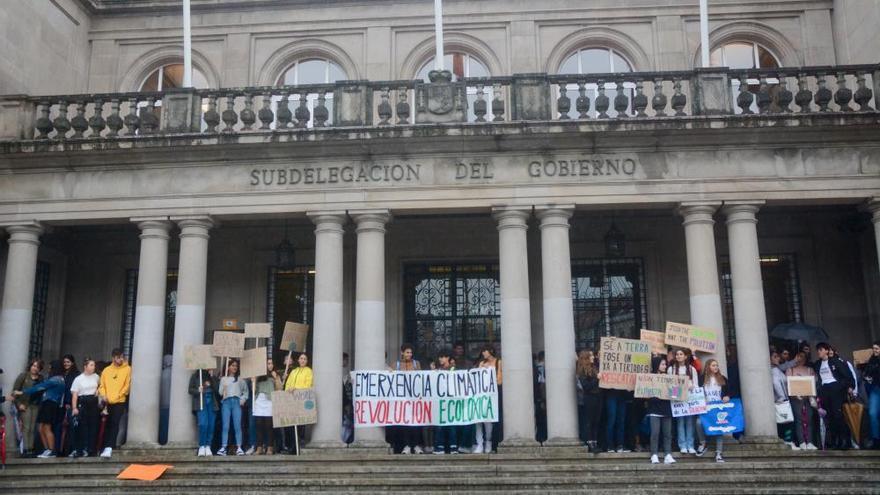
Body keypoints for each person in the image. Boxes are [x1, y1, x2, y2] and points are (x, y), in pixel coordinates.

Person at [21, 360, 66, 458]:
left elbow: (40, 387)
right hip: (48, 404)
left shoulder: (56, 379)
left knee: (46, 428)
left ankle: (51, 450)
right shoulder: (60, 379)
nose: (49, 369)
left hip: (50, 404)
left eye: (50, 368)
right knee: (40, 428)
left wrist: (23, 392)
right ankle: (47, 449)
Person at [813, 342, 853, 450]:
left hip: (835, 389)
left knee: (838, 415)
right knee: (829, 416)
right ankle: (835, 440)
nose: (819, 352)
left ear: (826, 350)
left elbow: (847, 376)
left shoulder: (835, 361)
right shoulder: (817, 364)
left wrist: (841, 386)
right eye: (818, 350)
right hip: (825, 390)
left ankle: (845, 440)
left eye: (821, 350)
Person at [389, 343, 423, 454]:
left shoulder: (416, 364)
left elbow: (421, 378)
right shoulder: (396, 365)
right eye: (407, 352)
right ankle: (407, 445)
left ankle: (416, 445)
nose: (410, 354)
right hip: (402, 399)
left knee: (416, 423)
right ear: (402, 353)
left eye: (411, 352)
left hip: (414, 399)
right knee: (405, 423)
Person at [97, 348, 130, 458]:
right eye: (118, 357)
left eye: (121, 357)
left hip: (120, 401)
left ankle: (110, 447)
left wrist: (119, 395)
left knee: (115, 423)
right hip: (107, 401)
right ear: (113, 358)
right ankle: (105, 447)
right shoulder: (106, 370)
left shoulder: (128, 369)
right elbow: (102, 385)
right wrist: (104, 395)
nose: (120, 359)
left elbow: (127, 385)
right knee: (107, 424)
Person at [668, 348, 699, 455]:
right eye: (677, 354)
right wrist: (677, 390)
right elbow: (670, 384)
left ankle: (690, 445)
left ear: (686, 356)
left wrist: (691, 386)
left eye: (681, 354)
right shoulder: (671, 369)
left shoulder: (691, 369)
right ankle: (682, 445)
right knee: (680, 422)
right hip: (678, 399)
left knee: (690, 422)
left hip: (690, 399)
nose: (679, 356)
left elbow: (696, 385)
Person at [786, 351, 818, 450]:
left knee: (809, 418)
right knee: (798, 419)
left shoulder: (809, 369)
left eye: (803, 356)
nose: (801, 358)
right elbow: (788, 384)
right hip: (795, 397)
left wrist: (812, 396)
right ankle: (801, 441)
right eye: (799, 356)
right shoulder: (790, 370)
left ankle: (810, 441)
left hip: (808, 397)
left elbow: (814, 382)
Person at [11, 359, 43, 456]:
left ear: (40, 369)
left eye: (37, 367)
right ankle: (25, 449)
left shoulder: (41, 378)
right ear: (30, 366)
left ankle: (31, 449)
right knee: (26, 427)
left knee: (33, 428)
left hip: (36, 405)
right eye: (33, 365)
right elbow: (14, 392)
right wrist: (18, 404)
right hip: (25, 405)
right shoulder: (23, 376)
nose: (35, 368)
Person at [69, 358, 100, 458]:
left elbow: (101, 386)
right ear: (85, 367)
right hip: (83, 401)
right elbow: (75, 395)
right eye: (91, 365)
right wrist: (74, 408)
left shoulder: (96, 377)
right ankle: (82, 448)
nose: (93, 367)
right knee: (83, 426)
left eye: (94, 365)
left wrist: (98, 391)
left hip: (93, 402)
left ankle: (91, 448)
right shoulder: (79, 379)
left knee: (93, 426)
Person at [701, 359, 730, 462]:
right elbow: (697, 392)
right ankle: (703, 443)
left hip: (718, 408)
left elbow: (729, 392)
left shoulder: (723, 379)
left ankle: (718, 453)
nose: (716, 367)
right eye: (713, 365)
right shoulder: (702, 379)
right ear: (708, 366)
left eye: (717, 365)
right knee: (698, 423)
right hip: (706, 408)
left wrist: (727, 396)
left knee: (719, 429)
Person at [647, 357, 675, 464]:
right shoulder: (650, 378)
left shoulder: (669, 378)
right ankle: (654, 454)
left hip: (666, 409)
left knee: (667, 433)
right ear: (656, 365)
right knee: (655, 433)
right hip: (654, 409)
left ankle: (668, 454)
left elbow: (676, 393)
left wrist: (672, 385)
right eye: (662, 364)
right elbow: (646, 394)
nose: (664, 366)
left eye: (665, 364)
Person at [284, 352, 313, 454]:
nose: (302, 360)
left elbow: (308, 385)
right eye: (301, 358)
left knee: (300, 425)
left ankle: (298, 446)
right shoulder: (294, 371)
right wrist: (288, 390)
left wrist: (296, 389)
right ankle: (292, 446)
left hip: (301, 400)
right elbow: (288, 384)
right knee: (291, 424)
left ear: (307, 361)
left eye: (305, 359)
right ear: (298, 360)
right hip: (292, 400)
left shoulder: (309, 371)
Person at [474, 344, 501, 454]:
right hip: (481, 395)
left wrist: (489, 372)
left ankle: (488, 441)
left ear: (490, 351)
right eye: (482, 351)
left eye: (485, 351)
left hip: (492, 396)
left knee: (488, 420)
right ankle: (480, 443)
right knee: (478, 419)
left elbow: (499, 380)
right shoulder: (481, 363)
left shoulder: (498, 362)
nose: (483, 353)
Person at [218, 359, 248, 456]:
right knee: (225, 425)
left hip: (236, 402)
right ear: (228, 367)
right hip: (226, 402)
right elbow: (220, 392)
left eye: (236, 365)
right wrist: (224, 386)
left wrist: (242, 399)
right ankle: (223, 447)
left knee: (237, 425)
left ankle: (239, 447)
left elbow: (246, 391)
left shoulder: (240, 379)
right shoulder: (223, 379)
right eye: (232, 365)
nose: (234, 367)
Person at [253, 357, 282, 455]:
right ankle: (259, 447)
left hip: (269, 401)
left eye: (271, 363)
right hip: (259, 401)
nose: (270, 365)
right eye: (268, 363)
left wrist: (276, 378)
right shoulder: (259, 375)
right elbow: (254, 390)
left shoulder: (275, 375)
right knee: (259, 424)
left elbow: (279, 389)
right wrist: (254, 380)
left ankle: (270, 447)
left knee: (269, 425)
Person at [189, 367, 219, 456]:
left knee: (211, 425)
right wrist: (198, 390)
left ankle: (208, 446)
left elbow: (217, 389)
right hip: (201, 403)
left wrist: (212, 376)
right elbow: (190, 389)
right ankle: (202, 445)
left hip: (212, 403)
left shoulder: (212, 377)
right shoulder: (195, 376)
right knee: (203, 424)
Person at [433, 350, 458, 454]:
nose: (440, 359)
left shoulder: (454, 369)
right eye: (439, 357)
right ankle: (440, 447)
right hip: (440, 401)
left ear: (448, 358)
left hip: (451, 401)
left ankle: (453, 447)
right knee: (440, 425)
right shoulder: (437, 370)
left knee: (451, 424)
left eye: (442, 357)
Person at [575, 349, 601, 453]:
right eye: (591, 356)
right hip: (589, 398)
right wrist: (597, 379)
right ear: (586, 358)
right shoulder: (582, 371)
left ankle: (595, 442)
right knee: (589, 421)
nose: (593, 357)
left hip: (597, 397)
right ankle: (590, 443)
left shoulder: (594, 369)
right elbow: (586, 387)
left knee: (596, 421)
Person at [56, 354, 79, 456]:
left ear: (72, 363)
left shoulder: (76, 375)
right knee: (60, 428)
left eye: (68, 362)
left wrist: (69, 402)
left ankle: (68, 450)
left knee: (69, 428)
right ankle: (59, 450)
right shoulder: (61, 373)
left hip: (69, 404)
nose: (66, 364)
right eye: (64, 362)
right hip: (59, 404)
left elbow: (73, 390)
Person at [864, 341, 880, 450]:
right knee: (872, 413)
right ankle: (876, 440)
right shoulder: (872, 359)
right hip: (876, 389)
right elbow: (867, 372)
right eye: (874, 348)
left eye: (877, 349)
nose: (875, 351)